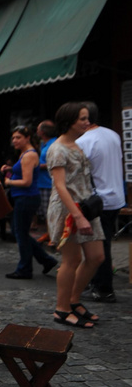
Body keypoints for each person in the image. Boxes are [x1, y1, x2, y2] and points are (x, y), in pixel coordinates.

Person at [46, 102, 105, 329]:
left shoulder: (77, 144)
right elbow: (60, 186)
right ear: (69, 121)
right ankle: (62, 309)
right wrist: (77, 216)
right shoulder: (57, 148)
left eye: (87, 118)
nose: (87, 122)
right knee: (71, 260)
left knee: (96, 256)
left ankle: (73, 300)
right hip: (67, 209)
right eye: (82, 118)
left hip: (86, 206)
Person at [76, 101, 125, 303]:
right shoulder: (112, 134)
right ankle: (99, 283)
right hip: (116, 196)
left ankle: (103, 288)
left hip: (98, 200)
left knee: (98, 246)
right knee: (104, 243)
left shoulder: (84, 141)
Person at [1, 125, 57, 280]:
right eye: (13, 138)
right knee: (20, 232)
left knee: (20, 233)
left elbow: (27, 181)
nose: (14, 141)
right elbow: (24, 171)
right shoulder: (25, 154)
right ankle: (46, 260)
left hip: (27, 197)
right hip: (23, 197)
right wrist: (11, 169)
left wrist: (8, 182)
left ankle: (25, 268)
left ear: (27, 138)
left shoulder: (29, 155)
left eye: (18, 137)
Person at [36, 120, 57, 236]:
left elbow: (54, 163)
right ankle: (50, 234)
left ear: (43, 131)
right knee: (45, 212)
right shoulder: (44, 144)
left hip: (48, 183)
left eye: (38, 129)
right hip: (42, 182)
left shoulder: (53, 144)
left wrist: (36, 165)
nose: (37, 131)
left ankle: (53, 236)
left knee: (49, 212)